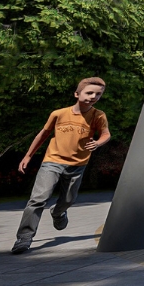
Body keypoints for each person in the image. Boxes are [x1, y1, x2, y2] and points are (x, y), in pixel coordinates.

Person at [13, 78, 111, 255]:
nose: (94, 96)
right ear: (77, 94)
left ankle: (58, 213)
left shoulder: (98, 115)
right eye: (89, 92)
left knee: (68, 200)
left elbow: (106, 134)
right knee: (38, 198)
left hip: (78, 165)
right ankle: (24, 238)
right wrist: (28, 155)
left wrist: (98, 143)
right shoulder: (59, 114)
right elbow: (42, 135)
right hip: (52, 161)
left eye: (98, 94)